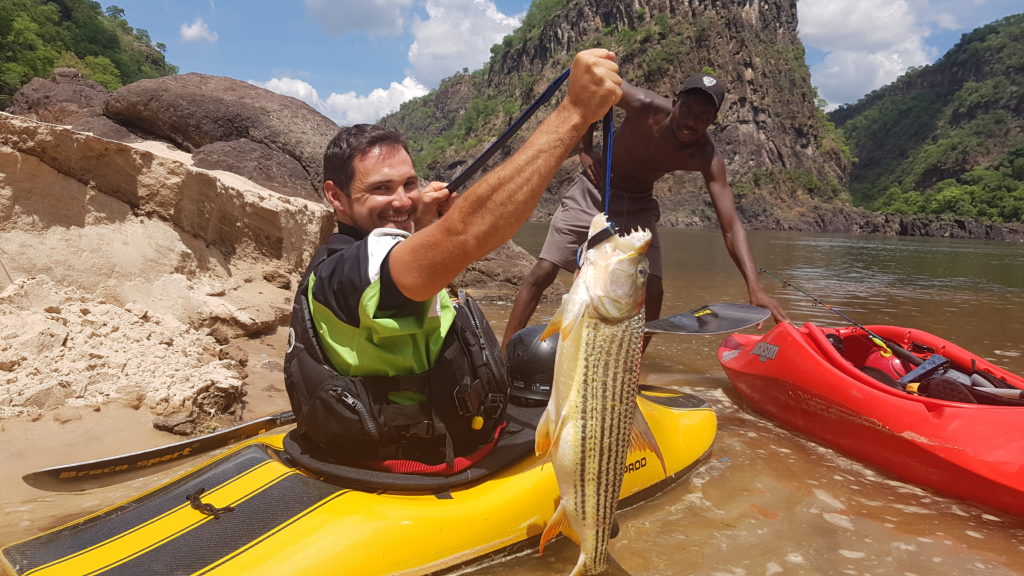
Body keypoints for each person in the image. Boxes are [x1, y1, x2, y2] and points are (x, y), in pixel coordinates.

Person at [283, 49, 622, 470]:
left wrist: (421, 229)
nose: (403, 200)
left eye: (409, 183)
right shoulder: (352, 269)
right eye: (381, 189)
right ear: (336, 196)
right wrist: (574, 113)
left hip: (434, 437)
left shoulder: (375, 256)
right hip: (413, 461)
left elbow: (411, 272)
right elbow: (467, 234)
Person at [501, 73, 789, 350]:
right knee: (544, 270)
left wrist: (755, 286)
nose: (691, 121)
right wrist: (585, 146)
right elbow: (595, 86)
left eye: (702, 117)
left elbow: (730, 225)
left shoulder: (706, 156)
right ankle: (504, 352)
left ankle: (632, 366)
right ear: (675, 103)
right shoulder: (642, 104)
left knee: (653, 290)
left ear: (712, 121)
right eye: (687, 109)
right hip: (594, 191)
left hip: (638, 205)